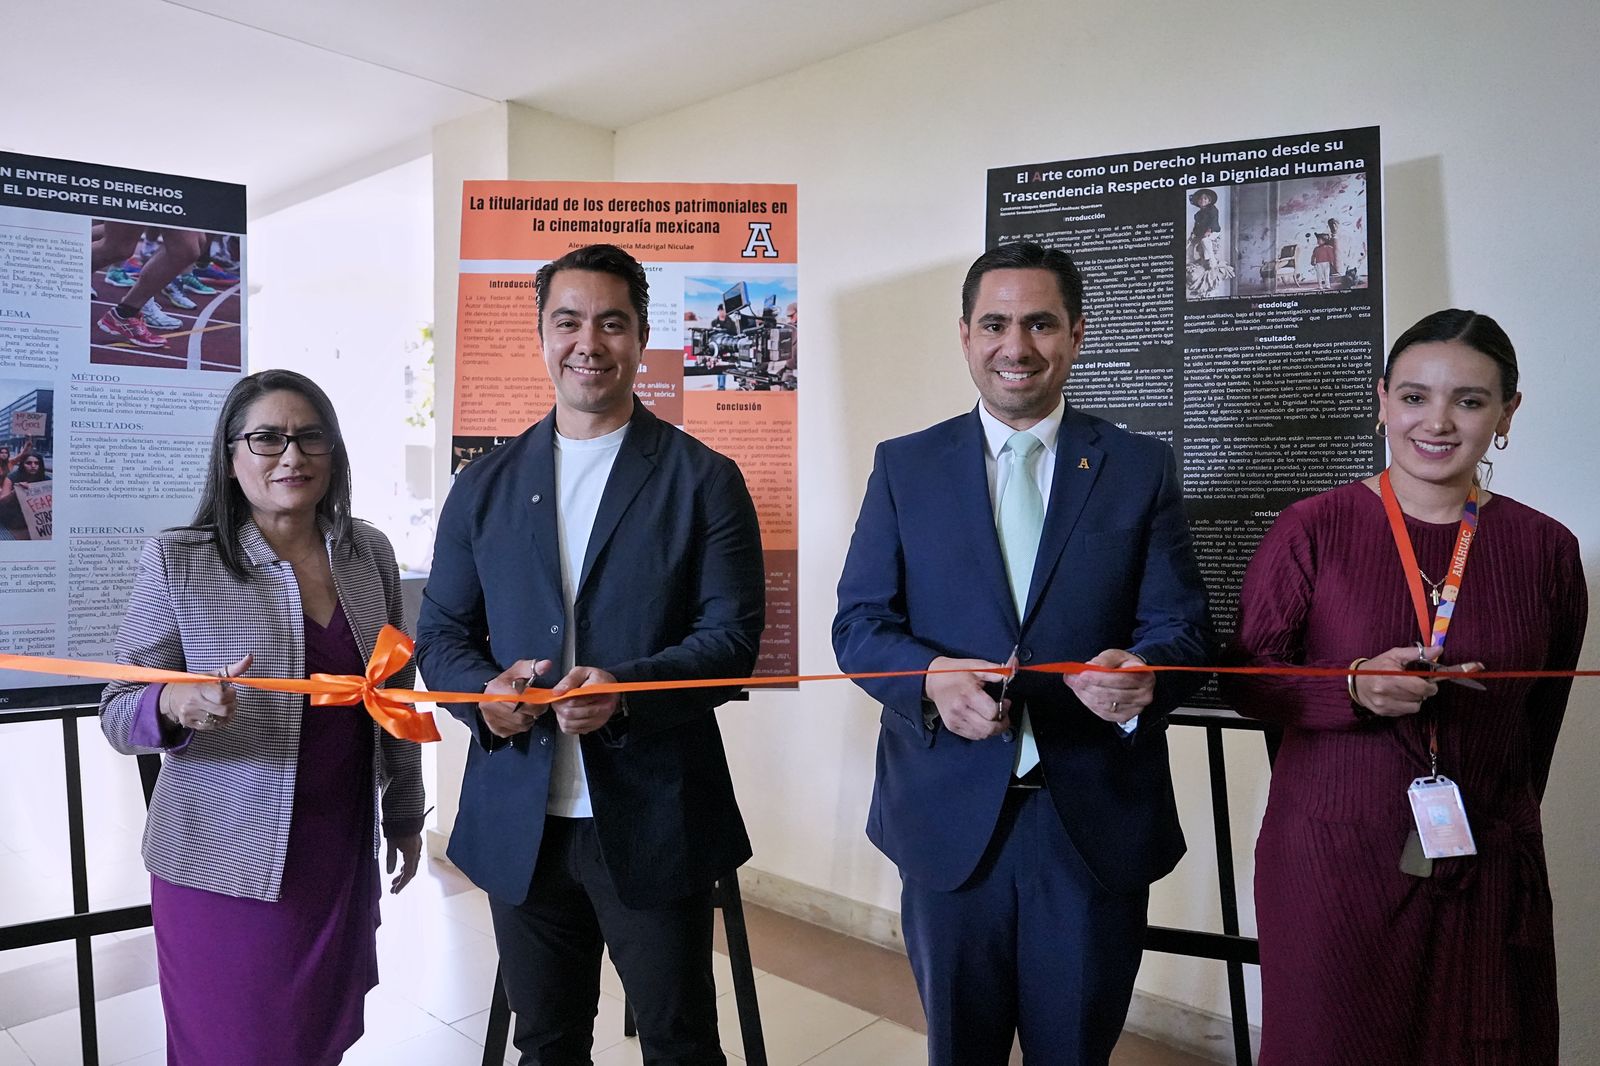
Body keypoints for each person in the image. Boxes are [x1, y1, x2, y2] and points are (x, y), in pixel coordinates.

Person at [833, 241, 1213, 1065]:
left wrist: (1144, 677)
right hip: (947, 815)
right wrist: (929, 680)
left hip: (1090, 820)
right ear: (965, 334)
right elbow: (858, 624)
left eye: (1041, 323)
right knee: (959, 1050)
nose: (1017, 346)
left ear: (1076, 334)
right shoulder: (905, 467)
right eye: (996, 323)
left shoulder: (1138, 468)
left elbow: (1185, 632)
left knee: (1073, 1051)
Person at [416, 243, 764, 1066]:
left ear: (642, 338)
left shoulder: (703, 478)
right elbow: (441, 634)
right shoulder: (486, 483)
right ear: (541, 335)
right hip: (520, 817)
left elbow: (730, 642)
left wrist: (628, 690)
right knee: (547, 1043)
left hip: (654, 811)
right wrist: (483, 697)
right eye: (568, 321)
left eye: (612, 323)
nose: (589, 342)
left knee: (680, 1042)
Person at [1220, 309, 1586, 1065]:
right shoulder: (1312, 527)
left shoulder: (1547, 549)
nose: (1439, 422)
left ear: (1508, 413)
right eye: (1415, 397)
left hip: (1482, 862)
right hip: (1330, 863)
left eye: (1470, 400)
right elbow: (1248, 678)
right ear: (1382, 399)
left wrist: (1499, 823)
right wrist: (1351, 688)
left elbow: (1536, 727)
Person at [99, 369, 425, 1065]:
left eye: (311, 438)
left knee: (314, 1041)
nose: (291, 456)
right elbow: (117, 710)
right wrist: (174, 703)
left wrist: (405, 807)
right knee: (237, 1047)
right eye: (268, 438)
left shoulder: (368, 554)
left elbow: (395, 691)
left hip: (335, 851)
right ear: (231, 455)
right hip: (224, 865)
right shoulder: (180, 559)